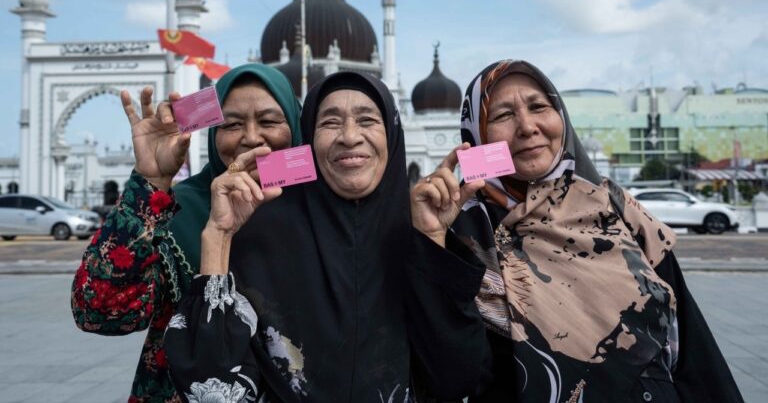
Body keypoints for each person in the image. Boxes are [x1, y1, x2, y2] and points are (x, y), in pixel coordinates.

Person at [408, 60, 744, 402]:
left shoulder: (615, 207)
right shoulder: (465, 234)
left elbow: (692, 348)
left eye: (539, 106)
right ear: (477, 135)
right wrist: (432, 243)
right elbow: (454, 377)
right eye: (502, 116)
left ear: (561, 118)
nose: (527, 127)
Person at [164, 72, 412, 402]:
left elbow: (457, 374)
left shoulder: (420, 238)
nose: (350, 136)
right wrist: (218, 236)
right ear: (308, 136)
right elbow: (214, 389)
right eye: (330, 122)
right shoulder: (255, 237)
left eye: (367, 120)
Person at [71, 64, 302, 403]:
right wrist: (150, 182)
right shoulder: (178, 211)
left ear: (296, 128)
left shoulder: (321, 212)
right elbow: (99, 312)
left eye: (269, 121)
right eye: (231, 124)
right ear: (212, 134)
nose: (251, 137)